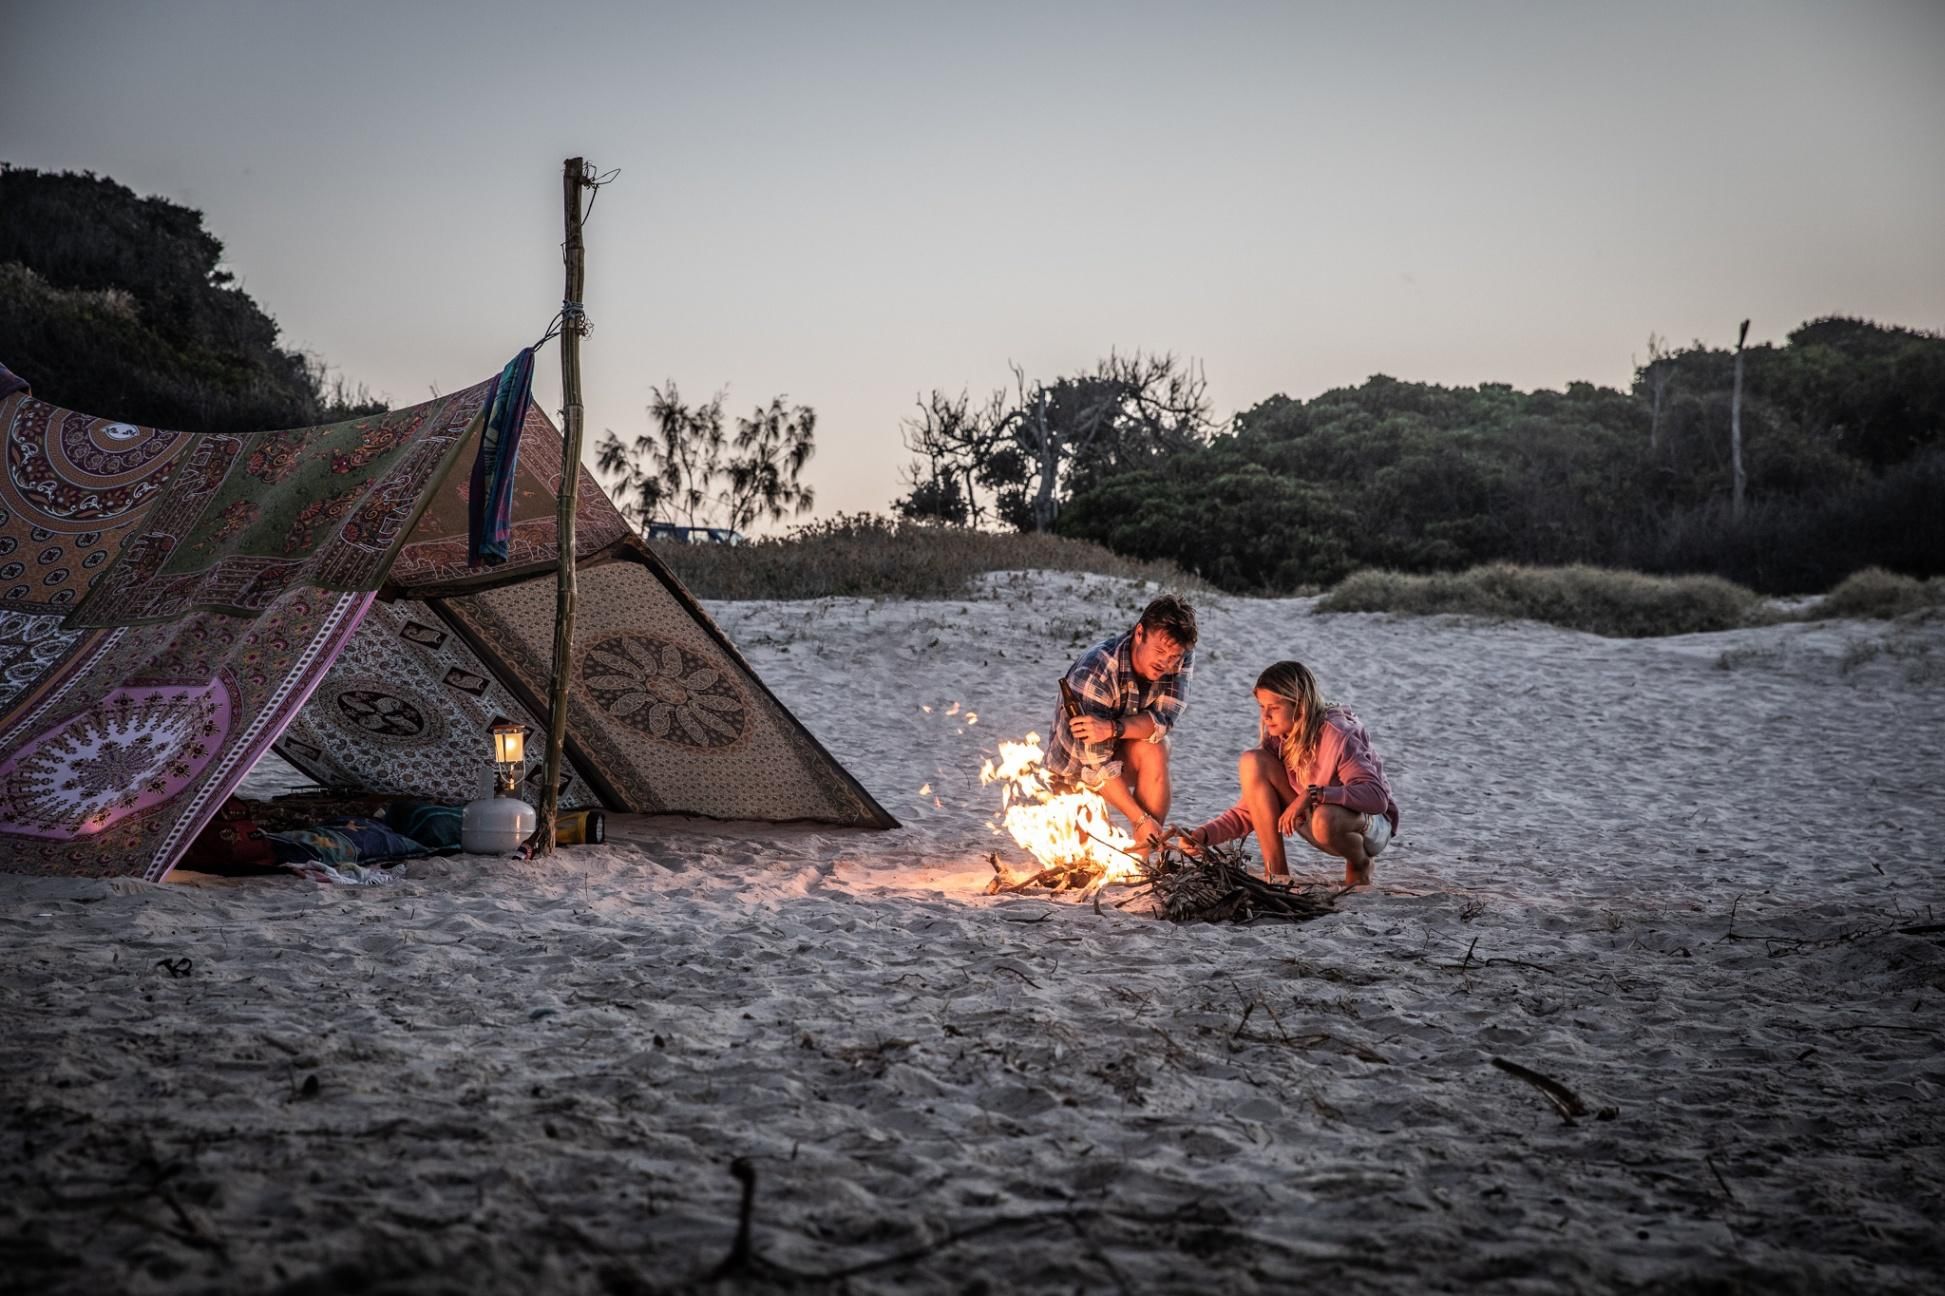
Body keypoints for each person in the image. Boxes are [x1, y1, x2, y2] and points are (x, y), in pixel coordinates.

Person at [1175, 660, 1399, 886]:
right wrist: (1204, 835)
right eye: (1262, 707)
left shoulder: (1339, 734)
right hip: (1316, 817)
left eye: (1274, 708)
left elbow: (1376, 797)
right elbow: (1254, 808)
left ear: (1300, 707)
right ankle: (1278, 876)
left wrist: (1314, 794)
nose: (1265, 716)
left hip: (1371, 827)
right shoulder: (1278, 739)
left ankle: (1360, 863)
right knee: (1252, 760)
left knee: (1324, 818)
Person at [1045, 594, 1197, 850]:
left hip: (1119, 751)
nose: (1166, 662)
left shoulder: (1178, 654)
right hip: (1074, 773)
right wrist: (1139, 818)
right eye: (1159, 651)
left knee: (1156, 747)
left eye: (1173, 656)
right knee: (1080, 860)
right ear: (1140, 633)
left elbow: (1162, 721)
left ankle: (1144, 857)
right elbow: (1096, 768)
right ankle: (1144, 830)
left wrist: (1113, 728)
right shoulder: (1096, 673)